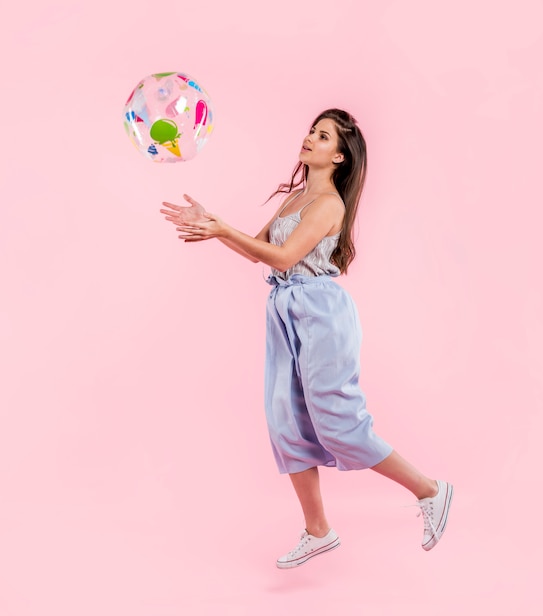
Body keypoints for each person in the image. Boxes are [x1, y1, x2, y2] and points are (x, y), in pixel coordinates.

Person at [160, 108, 453, 569]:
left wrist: (221, 228)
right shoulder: (297, 197)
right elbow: (260, 250)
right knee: (285, 423)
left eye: (322, 136)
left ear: (339, 155)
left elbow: (284, 257)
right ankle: (319, 531)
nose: (310, 139)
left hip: (321, 314)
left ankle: (430, 490)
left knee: (339, 423)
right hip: (285, 311)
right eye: (311, 132)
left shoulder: (329, 205)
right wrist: (214, 227)